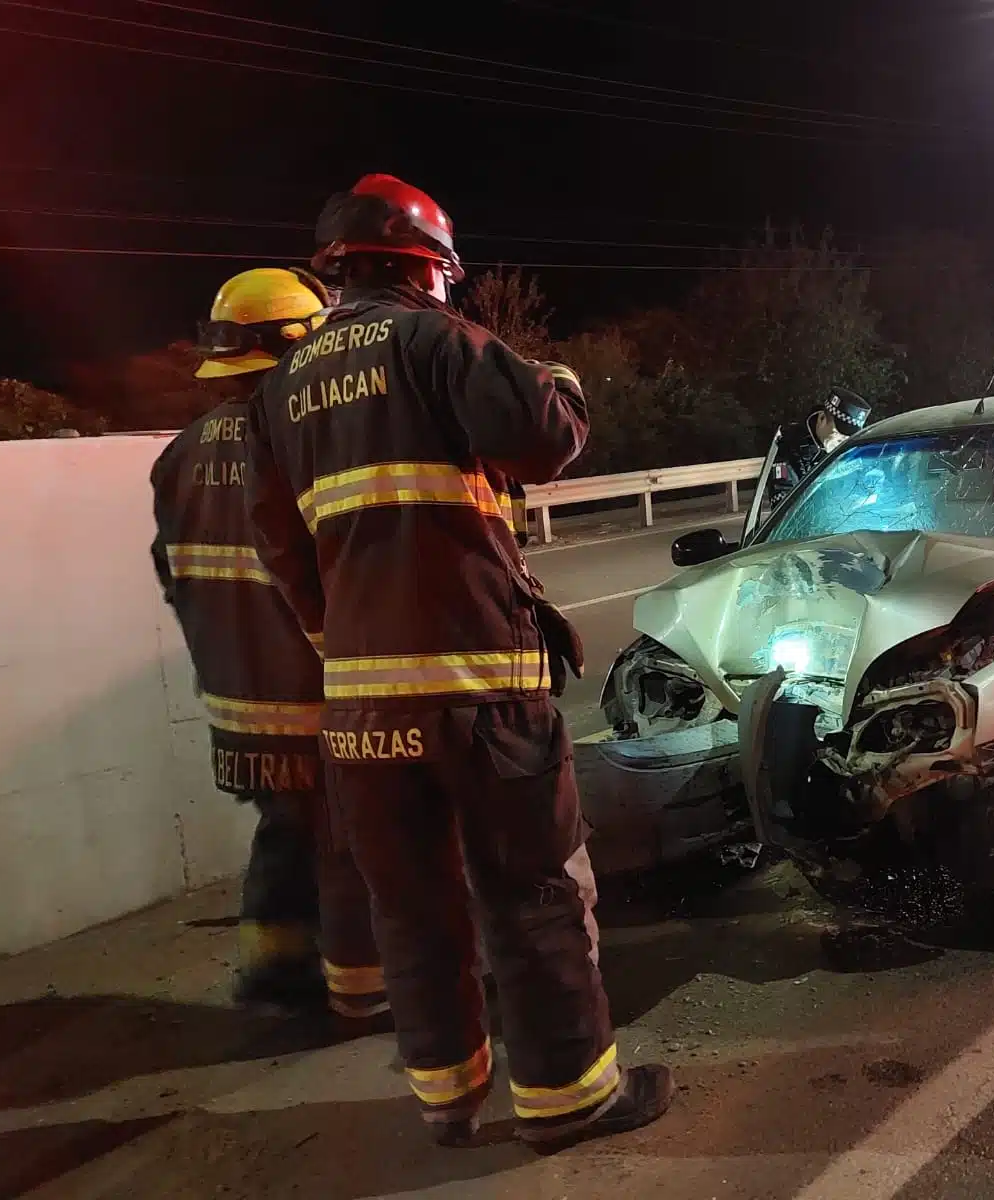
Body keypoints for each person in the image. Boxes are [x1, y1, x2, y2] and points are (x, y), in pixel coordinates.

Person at [241, 173, 672, 1149]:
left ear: (337, 272)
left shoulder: (277, 395)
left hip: (363, 714)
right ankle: (569, 1100)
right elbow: (544, 436)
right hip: (481, 698)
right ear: (423, 267)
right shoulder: (434, 342)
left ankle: (448, 1098)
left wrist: (343, 643)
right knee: (532, 894)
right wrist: (557, 379)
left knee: (413, 912)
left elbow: (282, 550)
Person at [150, 267, 385, 1020]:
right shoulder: (298, 440)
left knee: (286, 835)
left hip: (236, 705)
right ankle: (367, 987)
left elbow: (173, 573)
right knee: (352, 847)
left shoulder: (180, 454)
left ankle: (273, 972)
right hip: (313, 700)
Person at [768, 385, 872, 504]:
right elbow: (782, 503)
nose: (842, 442)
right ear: (822, 418)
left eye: (848, 437)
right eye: (839, 434)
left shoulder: (851, 448)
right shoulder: (790, 447)